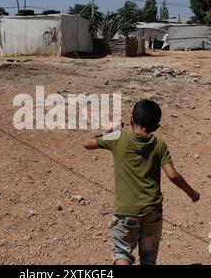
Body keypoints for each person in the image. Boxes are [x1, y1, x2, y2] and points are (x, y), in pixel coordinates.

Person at [83, 99, 200, 265]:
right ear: (156, 127)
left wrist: (106, 131)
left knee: (122, 251)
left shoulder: (118, 137)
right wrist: (192, 193)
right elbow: (172, 175)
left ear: (131, 119)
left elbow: (87, 143)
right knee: (148, 258)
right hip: (152, 211)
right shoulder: (159, 144)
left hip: (126, 211)